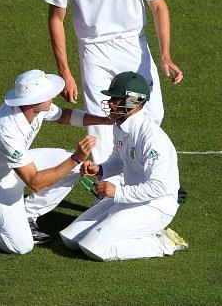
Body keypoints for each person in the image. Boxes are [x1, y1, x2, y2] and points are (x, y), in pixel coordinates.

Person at [44, 0, 184, 163]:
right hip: (93, 49)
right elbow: (56, 18)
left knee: (151, 111)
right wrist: (65, 72)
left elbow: (159, 7)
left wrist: (165, 55)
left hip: (132, 43)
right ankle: (104, 182)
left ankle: (145, 167)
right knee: (101, 117)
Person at [0, 69, 113, 255]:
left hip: (13, 166)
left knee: (74, 168)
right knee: (20, 245)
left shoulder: (35, 108)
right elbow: (34, 182)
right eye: (48, 94)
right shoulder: (7, 130)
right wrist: (77, 157)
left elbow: (64, 116)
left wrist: (104, 120)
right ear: (34, 100)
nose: (54, 95)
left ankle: (27, 214)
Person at [60, 72, 188, 261]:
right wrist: (100, 169)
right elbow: (118, 160)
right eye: (112, 98)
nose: (111, 103)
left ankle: (162, 242)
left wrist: (117, 192)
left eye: (117, 99)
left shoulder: (152, 139)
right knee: (69, 239)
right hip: (130, 198)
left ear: (136, 101)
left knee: (93, 248)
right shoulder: (120, 125)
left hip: (155, 206)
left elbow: (160, 187)